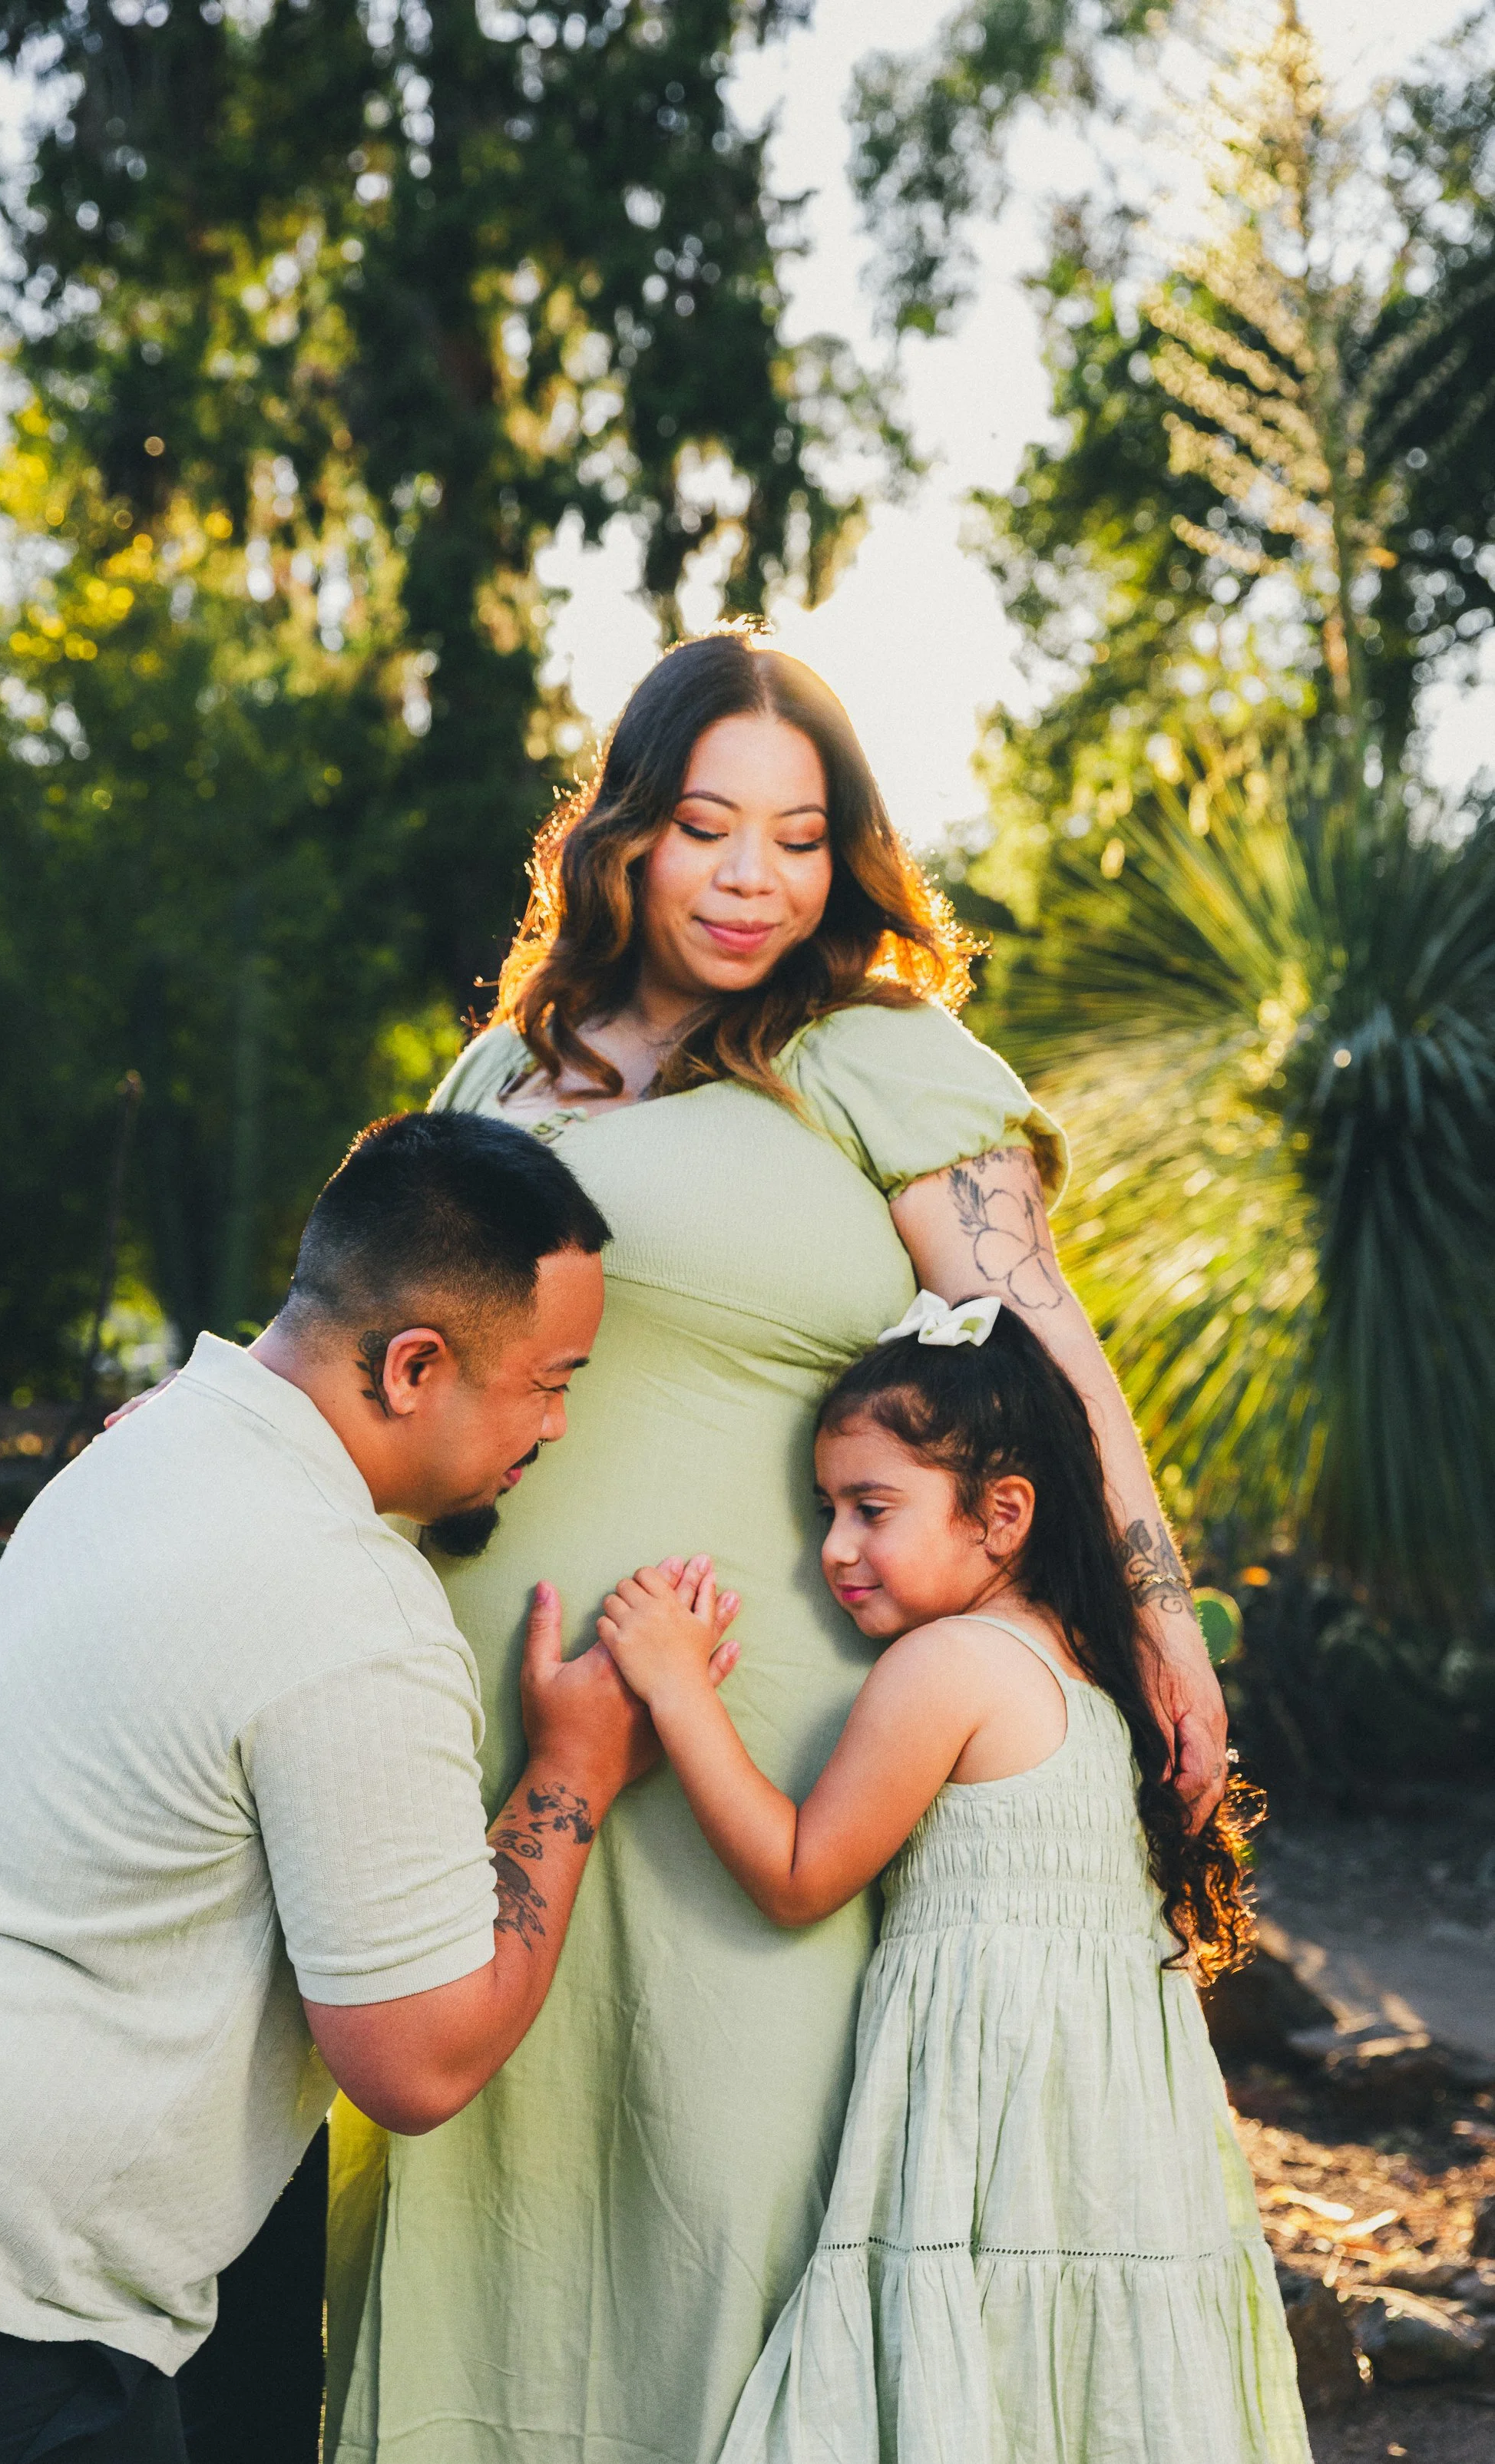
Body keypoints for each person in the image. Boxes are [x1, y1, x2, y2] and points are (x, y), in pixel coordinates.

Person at [326, 633, 1231, 2464]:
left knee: (741, 2198)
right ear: (624, 834)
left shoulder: (876, 1055)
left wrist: (1158, 1620)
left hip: (767, 1748)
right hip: (486, 1727)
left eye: (800, 839)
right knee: (479, 2209)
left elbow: (1050, 1353)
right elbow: (382, 1355)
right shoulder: (501, 1068)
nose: (753, 880)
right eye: (707, 827)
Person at [0, 1111, 729, 2464]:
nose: (558, 1424)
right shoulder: (349, 1607)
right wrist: (575, 1767)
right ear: (414, 1364)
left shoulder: (154, 1436)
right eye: (549, 1382)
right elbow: (417, 2056)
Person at [596, 1295, 1308, 2464]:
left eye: (871, 1509)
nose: (834, 1548)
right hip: (1113, 2151)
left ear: (1003, 1514)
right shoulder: (1087, 1667)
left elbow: (797, 1873)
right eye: (826, 1511)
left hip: (999, 2141)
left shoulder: (948, 1665)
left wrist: (677, 1688)